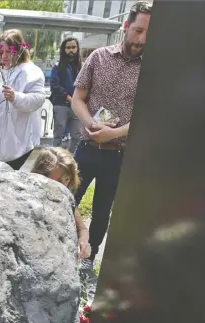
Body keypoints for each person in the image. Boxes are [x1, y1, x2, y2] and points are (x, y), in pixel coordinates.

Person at [71, 0, 152, 269]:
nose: (142, 38)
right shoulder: (99, 57)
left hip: (119, 153)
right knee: (66, 200)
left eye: (149, 33)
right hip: (86, 146)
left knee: (103, 211)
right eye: (138, 30)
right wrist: (91, 127)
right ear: (127, 26)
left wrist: (113, 133)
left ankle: (88, 259)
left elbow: (150, 113)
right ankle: (61, 248)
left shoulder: (151, 70)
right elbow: (78, 98)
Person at [0, 29, 46, 170]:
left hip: (16, 139)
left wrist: (16, 97)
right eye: (1, 52)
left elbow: (38, 99)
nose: (4, 56)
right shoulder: (0, 70)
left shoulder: (31, 71)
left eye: (9, 51)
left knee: (1, 181)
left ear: (19, 50)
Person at [31, 147, 90, 259]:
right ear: (41, 175)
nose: (63, 185)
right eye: (58, 180)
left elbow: (82, 228)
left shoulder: (67, 199)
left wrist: (83, 241)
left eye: (67, 179)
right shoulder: (29, 197)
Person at [50, 37, 82, 153]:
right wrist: (68, 97)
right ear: (63, 50)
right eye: (68, 48)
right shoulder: (57, 66)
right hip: (61, 105)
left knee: (77, 135)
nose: (71, 50)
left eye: (73, 47)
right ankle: (55, 158)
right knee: (59, 134)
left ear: (77, 49)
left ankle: (69, 159)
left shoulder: (82, 67)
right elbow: (54, 86)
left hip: (77, 106)